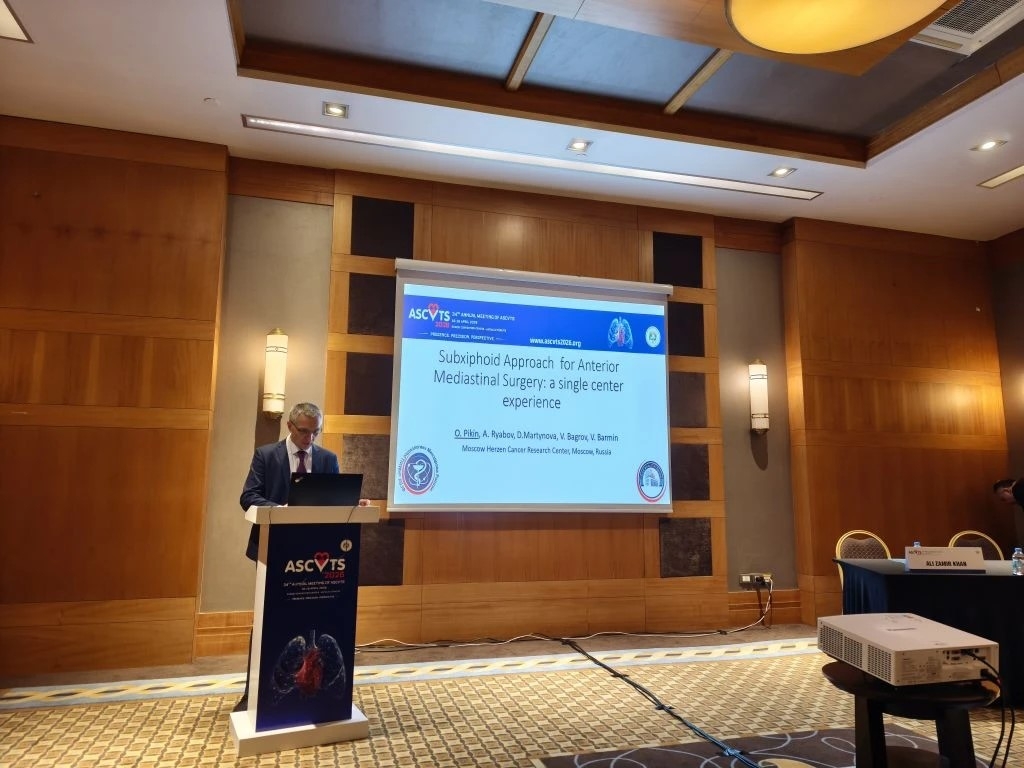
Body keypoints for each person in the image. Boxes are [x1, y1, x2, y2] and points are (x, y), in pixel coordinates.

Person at [235, 401, 367, 712]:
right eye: (305, 431)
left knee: (316, 622)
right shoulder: (266, 455)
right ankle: (253, 695)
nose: (310, 438)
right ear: (290, 427)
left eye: (316, 432)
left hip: (316, 554)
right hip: (275, 550)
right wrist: (280, 511)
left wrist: (352, 504)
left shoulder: (328, 459)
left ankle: (317, 695)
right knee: (268, 620)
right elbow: (248, 497)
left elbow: (334, 503)